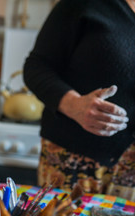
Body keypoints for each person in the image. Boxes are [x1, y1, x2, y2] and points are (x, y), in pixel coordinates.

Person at [23, 0, 135, 200]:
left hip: (131, 172)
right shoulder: (81, 4)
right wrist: (73, 105)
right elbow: (36, 67)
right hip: (76, 162)